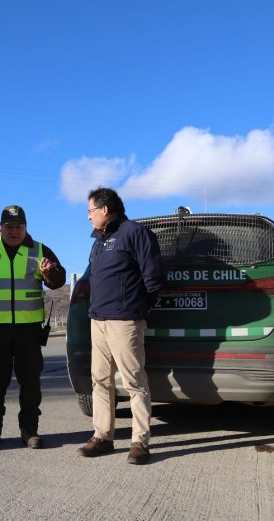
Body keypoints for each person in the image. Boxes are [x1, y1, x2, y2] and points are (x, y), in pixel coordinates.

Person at [0, 205, 65, 449]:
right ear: (0, 227)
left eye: (18, 226)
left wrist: (49, 273)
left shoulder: (40, 250)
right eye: (9, 227)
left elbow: (58, 282)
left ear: (26, 227)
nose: (14, 231)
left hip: (29, 330)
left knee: (30, 382)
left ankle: (29, 430)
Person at [78, 187, 162, 465]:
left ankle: (140, 442)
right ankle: (102, 437)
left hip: (125, 321)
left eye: (90, 210)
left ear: (105, 209)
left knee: (134, 382)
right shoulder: (98, 241)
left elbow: (152, 278)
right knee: (99, 381)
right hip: (98, 321)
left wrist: (137, 309)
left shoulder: (135, 233)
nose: (88, 216)